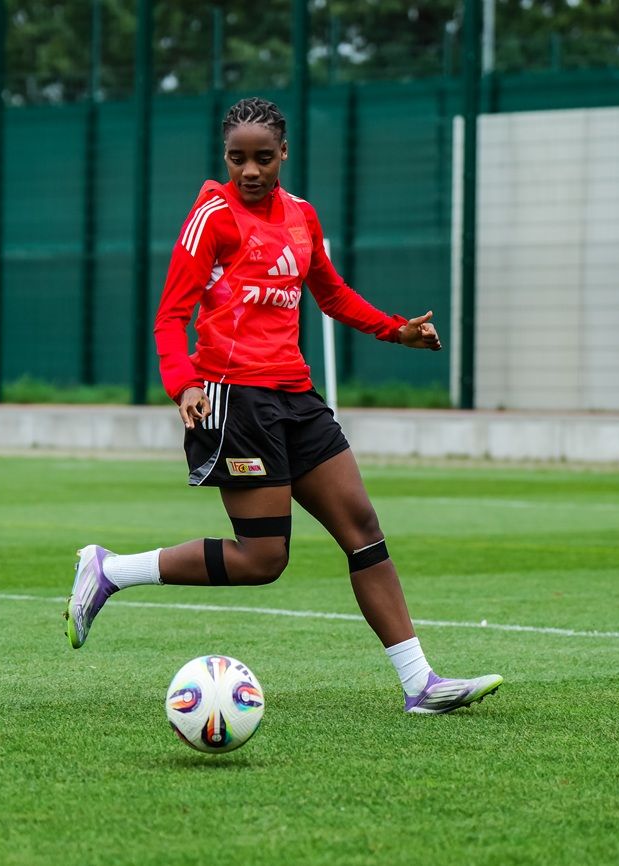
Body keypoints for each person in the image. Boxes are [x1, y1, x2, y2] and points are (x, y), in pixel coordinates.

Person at [65, 97, 502, 715]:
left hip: (296, 397)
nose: (250, 170)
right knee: (263, 559)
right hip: (232, 400)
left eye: (263, 158)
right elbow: (170, 315)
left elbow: (331, 291)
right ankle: (111, 570)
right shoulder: (211, 219)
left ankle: (419, 684)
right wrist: (183, 383)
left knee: (363, 529)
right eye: (238, 158)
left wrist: (395, 329)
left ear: (284, 155)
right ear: (225, 158)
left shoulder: (301, 216)